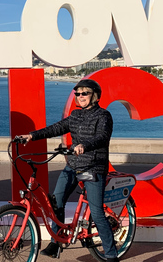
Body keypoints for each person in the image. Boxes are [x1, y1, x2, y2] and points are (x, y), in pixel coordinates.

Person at [20, 79, 119, 262]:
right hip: (73, 164)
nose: (80, 96)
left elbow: (102, 138)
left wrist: (84, 145)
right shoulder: (75, 115)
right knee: (56, 202)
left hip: (94, 166)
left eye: (85, 93)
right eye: (78, 93)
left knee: (96, 213)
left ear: (94, 96)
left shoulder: (104, 116)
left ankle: (112, 254)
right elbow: (56, 128)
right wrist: (32, 136)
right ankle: (56, 243)